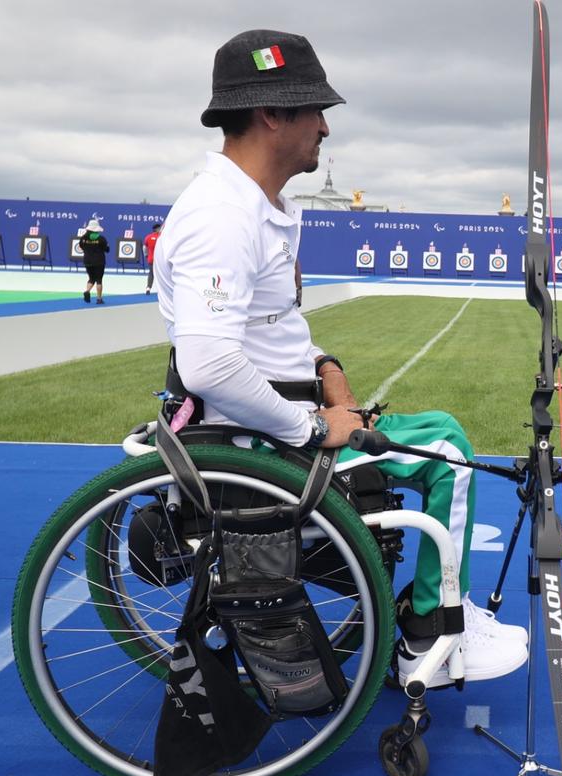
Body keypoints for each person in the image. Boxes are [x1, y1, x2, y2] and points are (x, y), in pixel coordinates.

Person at [154, 29, 527, 688]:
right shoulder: (220, 217)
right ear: (272, 114)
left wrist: (325, 367)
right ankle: (428, 633)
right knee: (449, 453)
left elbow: (268, 329)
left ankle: (428, 616)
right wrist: (316, 427)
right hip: (265, 445)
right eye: (314, 111)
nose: (326, 127)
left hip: (275, 425)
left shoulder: (258, 206)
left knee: (438, 430)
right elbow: (210, 363)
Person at [79, 219, 109, 304]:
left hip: (87, 260)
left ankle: (87, 291)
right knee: (99, 280)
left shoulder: (83, 238)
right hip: (99, 261)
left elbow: (81, 246)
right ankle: (99, 299)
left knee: (91, 278)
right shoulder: (101, 239)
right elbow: (107, 249)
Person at [143, 223, 162, 294]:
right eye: (160, 228)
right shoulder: (161, 237)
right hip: (160, 260)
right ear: (157, 229)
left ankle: (148, 288)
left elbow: (144, 248)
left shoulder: (148, 237)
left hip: (151, 259)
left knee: (151, 273)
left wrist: (146, 256)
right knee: (161, 275)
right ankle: (161, 290)